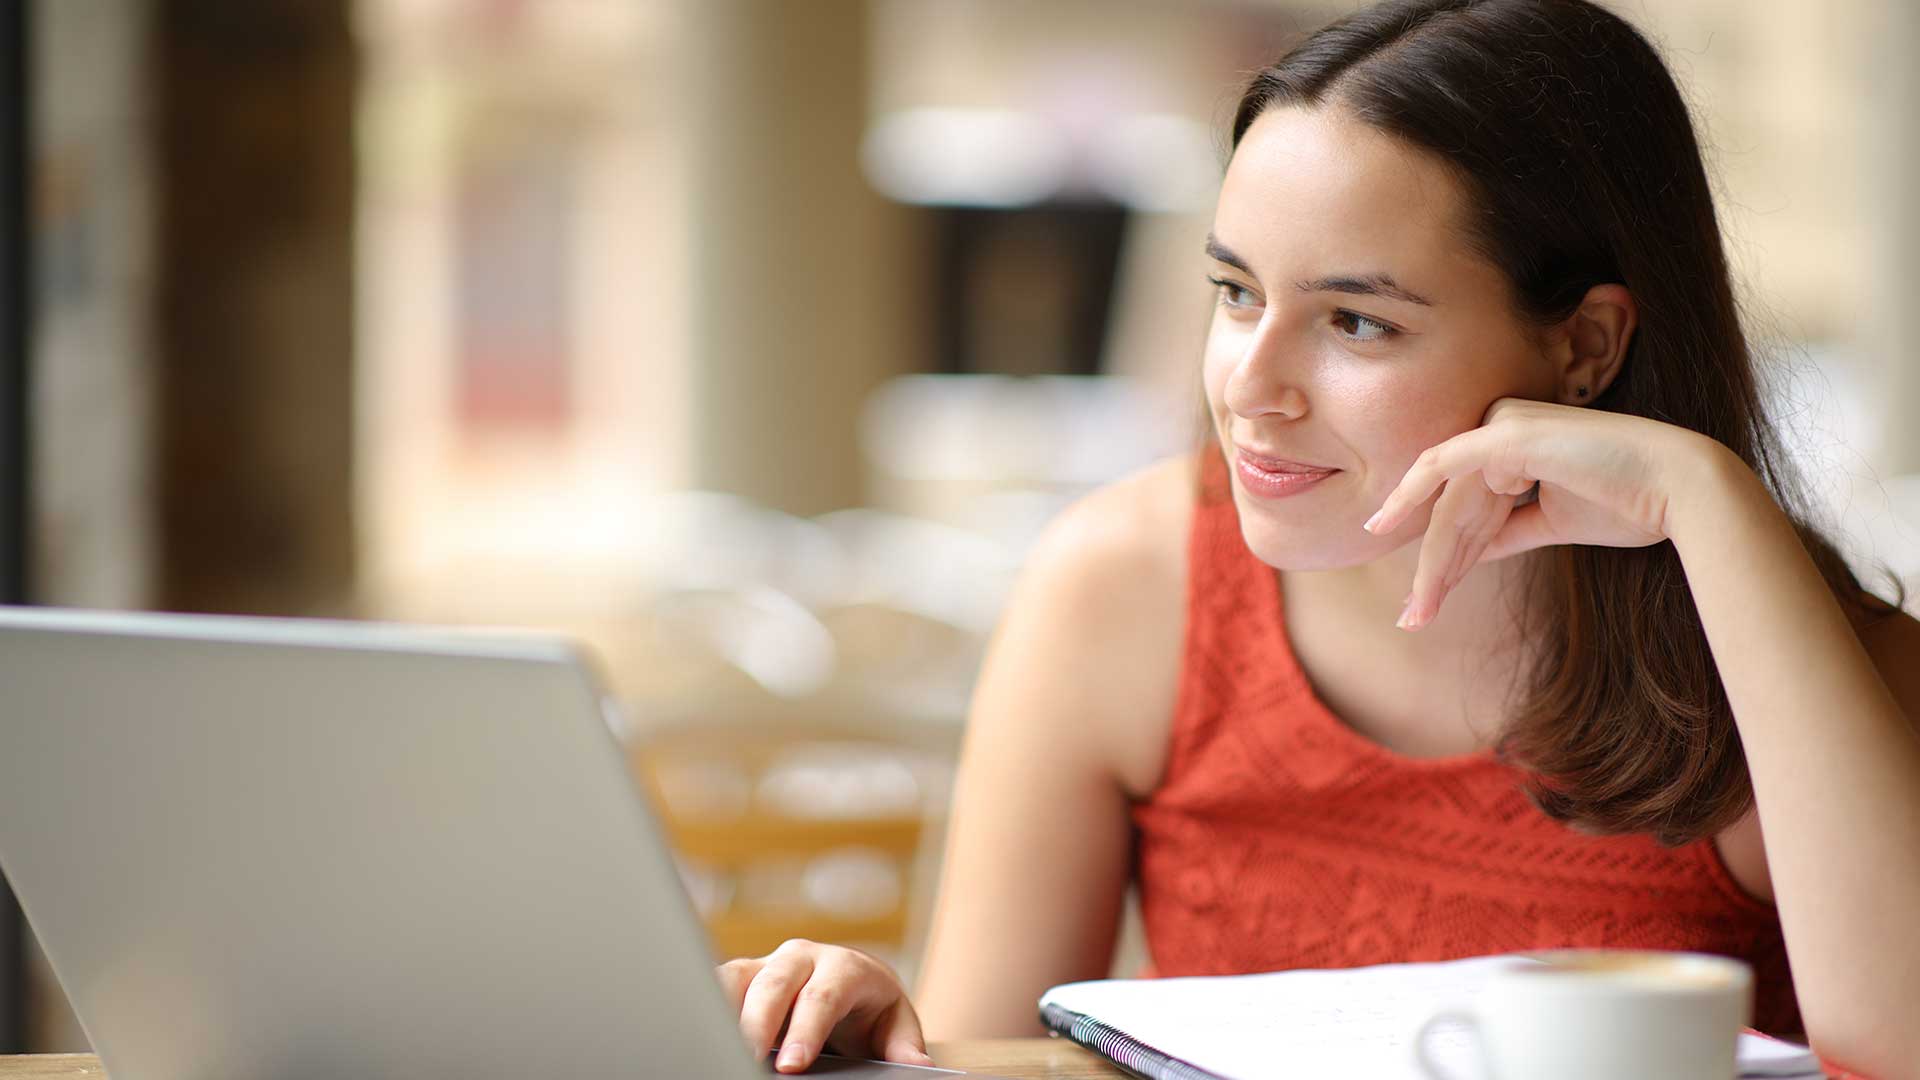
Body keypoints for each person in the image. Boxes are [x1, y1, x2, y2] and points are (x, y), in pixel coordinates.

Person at [717, 1, 1920, 1075]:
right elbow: (978, 1053)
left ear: (1585, 347)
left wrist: (1703, 501)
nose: (1252, 386)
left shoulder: (1804, 656)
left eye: (1355, 321)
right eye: (1237, 293)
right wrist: (876, 1037)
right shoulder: (1124, 586)